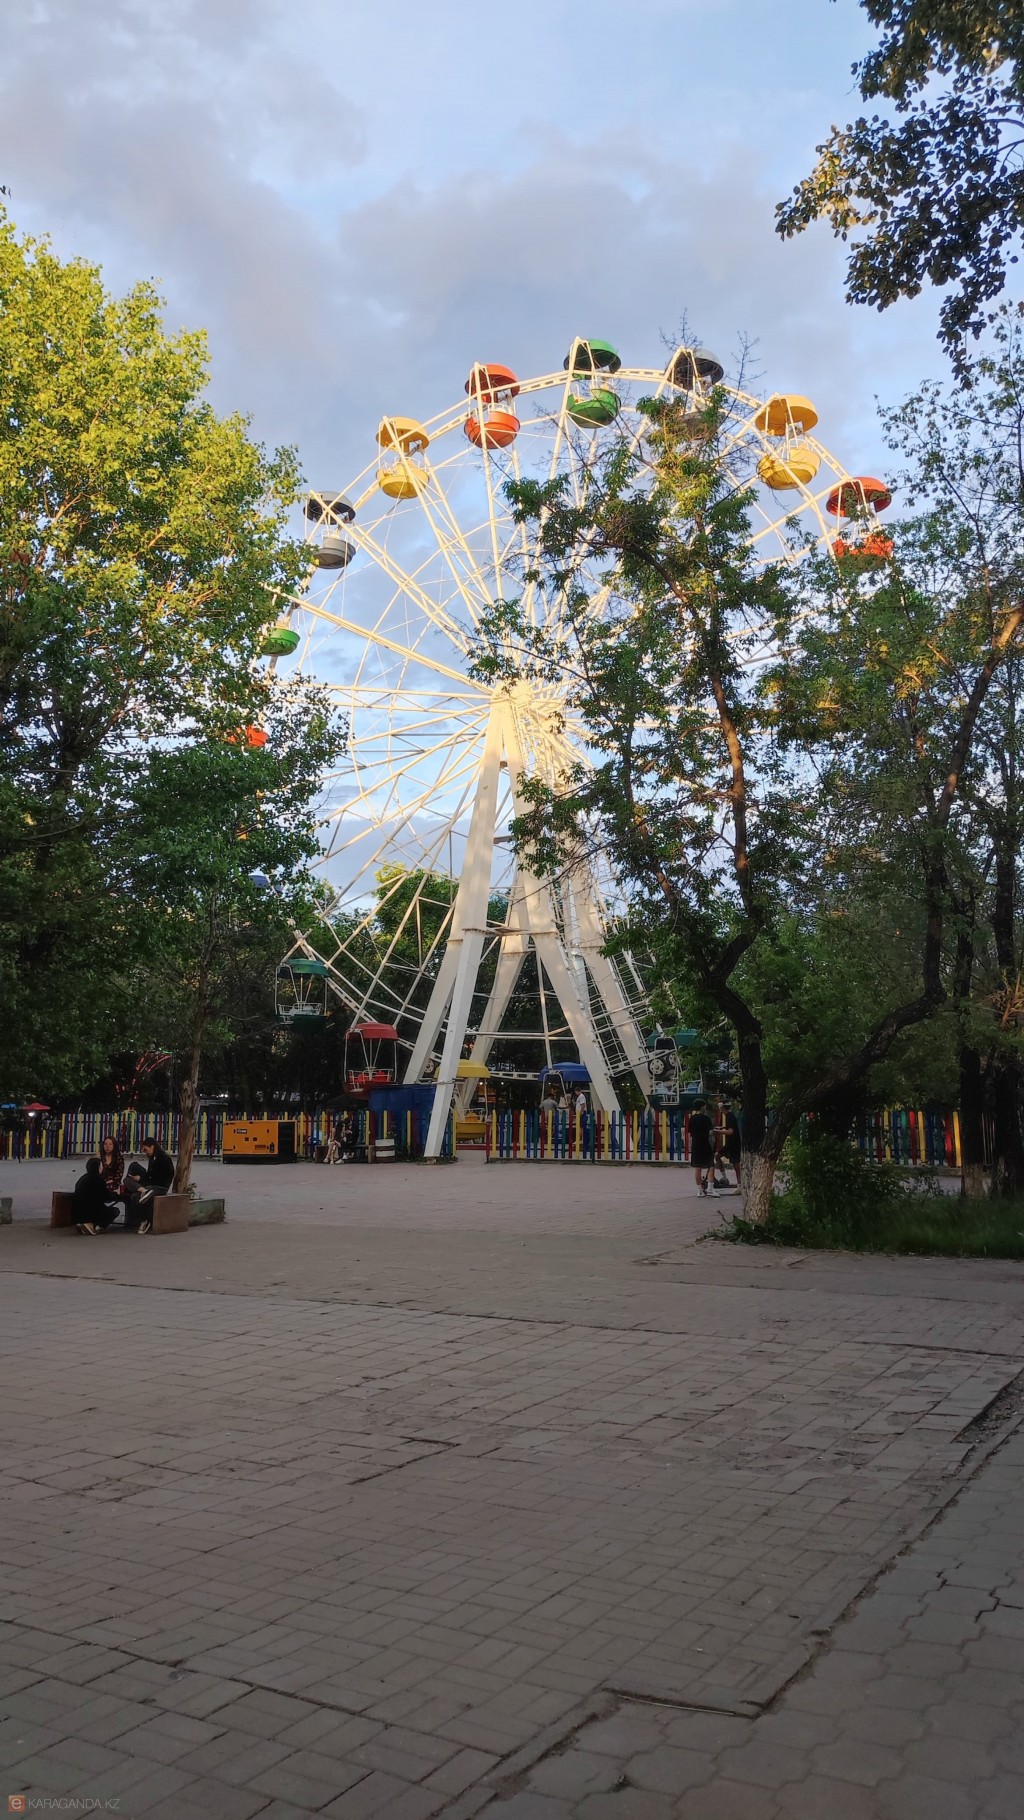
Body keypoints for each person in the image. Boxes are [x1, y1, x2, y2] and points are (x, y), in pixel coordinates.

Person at [122, 1136, 175, 1233]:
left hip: (159, 1186)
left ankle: (145, 1220)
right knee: (129, 1174)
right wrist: (139, 1178)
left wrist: (141, 1179)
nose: (145, 1152)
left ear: (152, 1147)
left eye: (146, 1149)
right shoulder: (152, 1158)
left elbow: (162, 1178)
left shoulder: (164, 1158)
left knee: (135, 1196)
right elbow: (149, 1175)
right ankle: (143, 1190)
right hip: (149, 1184)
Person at [73, 1157, 120, 1234]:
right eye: (101, 1166)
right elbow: (107, 1198)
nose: (102, 1168)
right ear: (97, 1167)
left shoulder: (82, 1178)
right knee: (115, 1211)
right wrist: (116, 1193)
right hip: (91, 1212)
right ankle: (93, 1226)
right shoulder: (98, 1179)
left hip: (77, 1214)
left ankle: (84, 1224)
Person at [688, 1099, 716, 1196]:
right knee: (711, 1165)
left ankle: (700, 1191)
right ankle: (710, 1189)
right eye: (704, 1106)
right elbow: (710, 1132)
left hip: (696, 1145)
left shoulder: (691, 1119)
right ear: (702, 1107)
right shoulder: (706, 1118)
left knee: (697, 1168)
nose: (705, 1108)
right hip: (705, 1144)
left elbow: (690, 1133)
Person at [715, 1101, 742, 1193]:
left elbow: (730, 1131)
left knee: (736, 1164)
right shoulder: (729, 1116)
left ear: (723, 1108)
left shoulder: (730, 1116)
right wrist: (721, 1128)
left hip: (734, 1144)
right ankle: (724, 1177)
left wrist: (719, 1132)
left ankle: (740, 1185)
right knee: (717, 1156)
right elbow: (729, 1126)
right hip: (729, 1144)